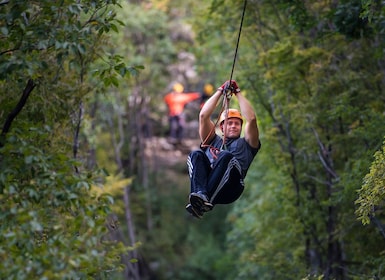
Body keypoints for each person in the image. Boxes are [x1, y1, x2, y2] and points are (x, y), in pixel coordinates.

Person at [185, 80, 261, 218]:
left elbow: (252, 119)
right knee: (195, 153)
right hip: (210, 183)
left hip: (231, 188)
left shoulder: (247, 143)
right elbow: (203, 116)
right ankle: (199, 195)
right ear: (221, 127)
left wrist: (237, 92)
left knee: (226, 156)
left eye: (237, 124)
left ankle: (206, 202)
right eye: (229, 123)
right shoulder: (213, 140)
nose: (233, 126)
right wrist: (220, 91)